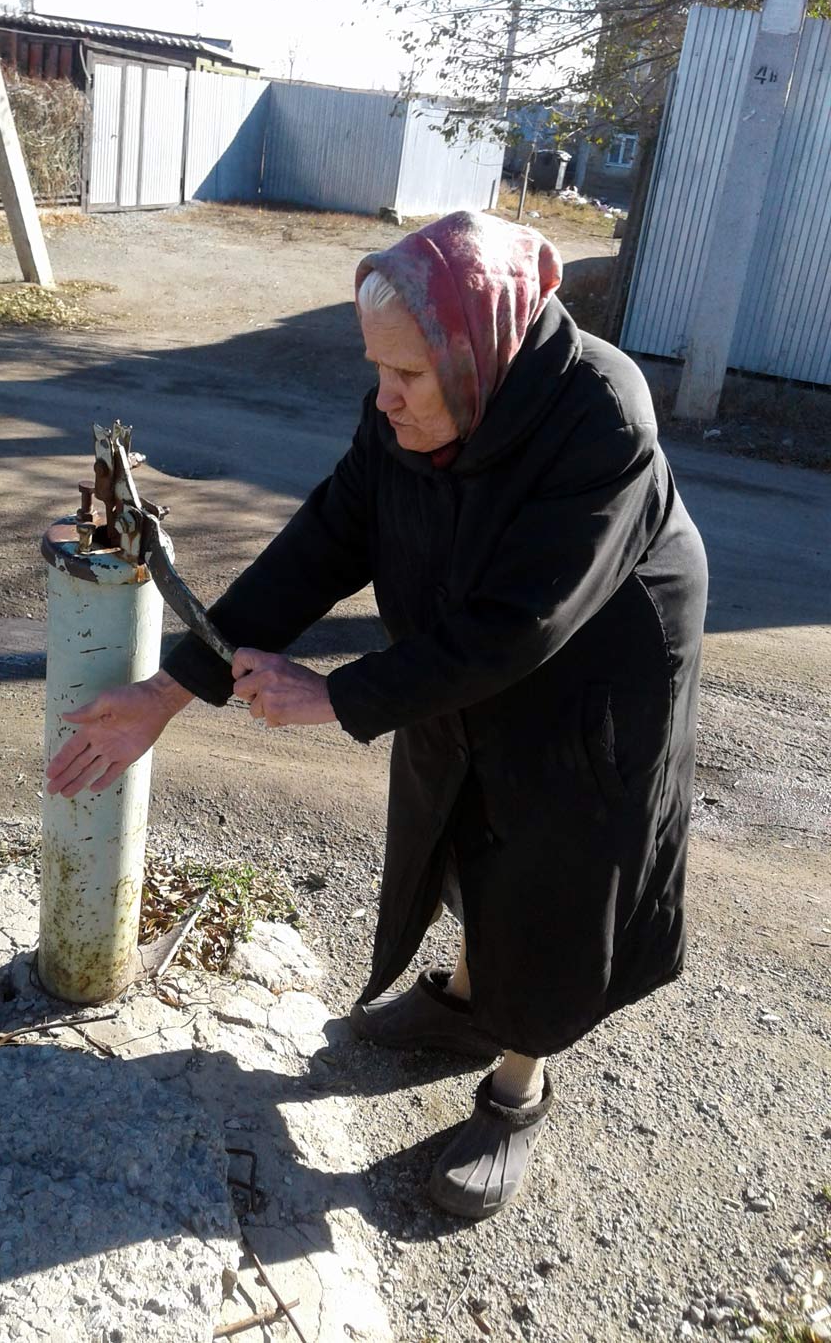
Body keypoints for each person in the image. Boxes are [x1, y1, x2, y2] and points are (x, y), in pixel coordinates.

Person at [46, 210, 708, 1220]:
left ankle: (514, 1090)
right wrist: (166, 692)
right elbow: (324, 541)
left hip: (592, 665)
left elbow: (521, 623)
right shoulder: (407, 408)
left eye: (407, 377)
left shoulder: (596, 414)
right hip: (462, 631)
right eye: (376, 371)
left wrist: (341, 694)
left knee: (549, 858)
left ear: (476, 352)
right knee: (459, 813)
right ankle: (459, 1008)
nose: (383, 397)